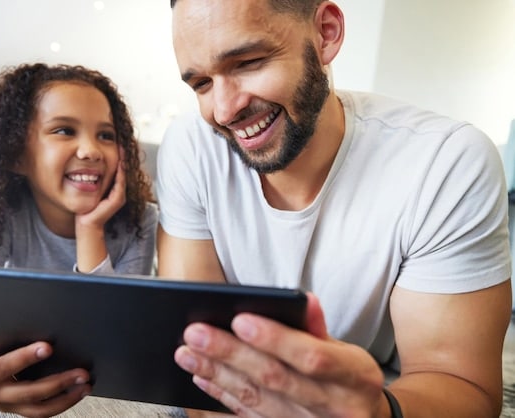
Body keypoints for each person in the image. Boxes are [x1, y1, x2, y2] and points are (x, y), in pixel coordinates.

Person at [157, 0, 512, 417]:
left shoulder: (446, 162)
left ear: (326, 32)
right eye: (200, 83)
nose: (223, 109)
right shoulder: (191, 144)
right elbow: (196, 349)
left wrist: (378, 413)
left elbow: (460, 383)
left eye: (248, 62)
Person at [0, 63, 157, 417]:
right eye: (64, 130)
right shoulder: (0, 213)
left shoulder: (141, 220)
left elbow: (116, 339)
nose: (90, 149)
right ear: (16, 154)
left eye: (106, 135)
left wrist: (89, 229)